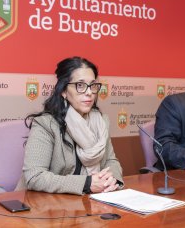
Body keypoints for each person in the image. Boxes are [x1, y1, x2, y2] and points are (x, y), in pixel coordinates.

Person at [15, 56, 123, 195]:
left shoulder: (101, 121)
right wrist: (87, 183)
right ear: (64, 91)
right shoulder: (46, 124)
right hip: (46, 207)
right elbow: (35, 176)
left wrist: (111, 179)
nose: (89, 92)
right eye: (80, 85)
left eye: (93, 85)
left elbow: (110, 160)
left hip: (89, 202)